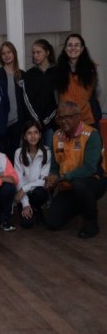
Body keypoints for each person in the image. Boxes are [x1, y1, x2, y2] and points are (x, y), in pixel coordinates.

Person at [44, 102, 107, 238]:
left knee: (80, 185)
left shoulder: (91, 135)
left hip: (94, 181)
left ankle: (91, 222)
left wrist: (62, 177)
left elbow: (90, 169)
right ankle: (80, 205)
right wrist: (53, 177)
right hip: (68, 186)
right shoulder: (56, 136)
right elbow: (55, 166)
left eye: (68, 117)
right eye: (60, 117)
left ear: (78, 117)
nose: (63, 121)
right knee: (52, 222)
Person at [55, 34, 100, 127]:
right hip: (64, 121)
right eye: (70, 45)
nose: (73, 48)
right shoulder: (58, 70)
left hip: (87, 121)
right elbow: (56, 95)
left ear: (82, 48)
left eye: (76, 45)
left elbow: (101, 92)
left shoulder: (92, 69)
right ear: (65, 48)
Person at [14, 121, 50, 228]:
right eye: (29, 133)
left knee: (40, 193)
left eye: (36, 132)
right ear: (24, 137)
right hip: (23, 196)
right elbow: (18, 179)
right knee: (26, 224)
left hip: (36, 192)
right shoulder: (18, 153)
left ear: (40, 135)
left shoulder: (47, 152)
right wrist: (25, 204)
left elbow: (44, 180)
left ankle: (35, 207)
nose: (33, 136)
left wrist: (24, 189)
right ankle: (31, 209)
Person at [0, 41, 27, 159]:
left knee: (14, 153)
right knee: (0, 153)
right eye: (3, 53)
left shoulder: (22, 74)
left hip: (17, 121)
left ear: (14, 54)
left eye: (9, 52)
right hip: (1, 121)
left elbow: (26, 100)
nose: (7, 55)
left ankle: (12, 176)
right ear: (1, 57)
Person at [23, 39, 57, 147]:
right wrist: (37, 120)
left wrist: (46, 120)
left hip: (52, 124)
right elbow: (26, 99)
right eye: (33, 53)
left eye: (38, 52)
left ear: (47, 53)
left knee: (50, 156)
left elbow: (59, 100)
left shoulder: (57, 72)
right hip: (34, 125)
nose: (35, 55)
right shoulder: (29, 74)